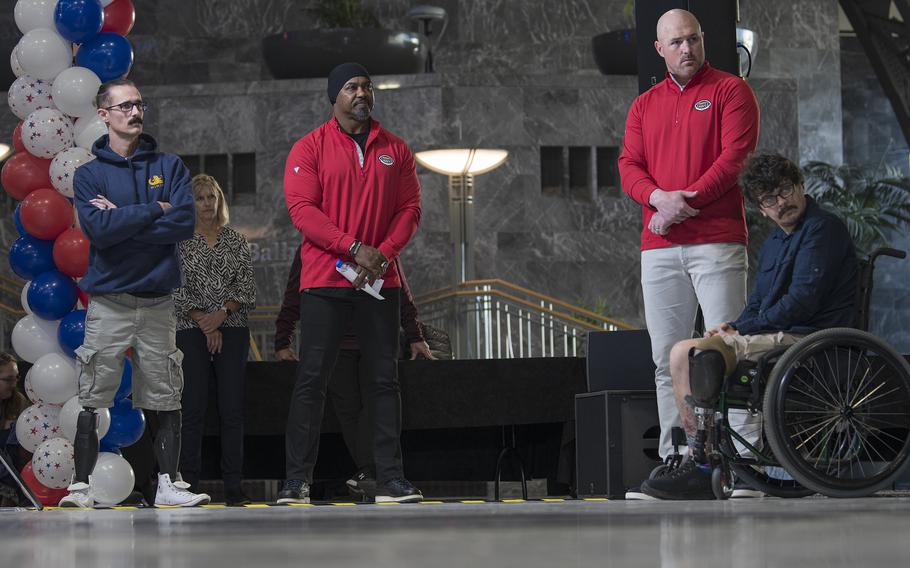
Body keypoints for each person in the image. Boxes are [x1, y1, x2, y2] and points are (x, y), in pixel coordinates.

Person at [641, 153, 858, 499]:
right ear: (761, 208)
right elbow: (759, 301)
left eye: (785, 191)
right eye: (769, 199)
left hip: (809, 337)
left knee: (700, 356)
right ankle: (698, 455)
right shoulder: (774, 242)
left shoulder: (823, 229)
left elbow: (801, 302)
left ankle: (704, 465)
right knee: (682, 351)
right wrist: (732, 325)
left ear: (801, 186)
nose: (780, 203)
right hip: (779, 333)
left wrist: (744, 330)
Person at [618, 9, 760, 475]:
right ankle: (679, 457)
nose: (687, 49)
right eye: (676, 42)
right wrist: (659, 198)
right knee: (666, 360)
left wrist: (683, 203)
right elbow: (629, 167)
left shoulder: (730, 90)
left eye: (694, 39)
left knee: (727, 353)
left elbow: (734, 158)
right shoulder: (644, 105)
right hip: (659, 249)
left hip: (716, 241)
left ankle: (742, 462)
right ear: (659, 49)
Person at [60, 79, 210, 508]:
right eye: (124, 105)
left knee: (165, 393)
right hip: (109, 301)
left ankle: (169, 485)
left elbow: (182, 224)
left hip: (159, 299)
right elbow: (99, 232)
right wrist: (152, 211)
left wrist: (125, 219)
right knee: (93, 395)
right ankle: (81, 487)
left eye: (140, 104)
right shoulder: (90, 175)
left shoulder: (170, 165)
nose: (135, 111)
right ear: (103, 114)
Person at [279, 62, 422, 504]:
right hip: (324, 281)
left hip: (381, 280)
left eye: (366, 85)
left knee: (384, 381)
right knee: (312, 381)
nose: (361, 92)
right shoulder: (308, 148)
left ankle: (389, 478)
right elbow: (303, 210)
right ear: (333, 96)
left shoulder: (396, 149)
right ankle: (296, 481)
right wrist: (354, 247)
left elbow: (410, 210)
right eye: (351, 86)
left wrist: (381, 255)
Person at [275, 244, 433, 498]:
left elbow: (400, 289)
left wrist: (415, 333)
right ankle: (367, 471)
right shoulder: (313, 249)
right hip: (337, 346)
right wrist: (282, 339)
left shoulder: (380, 247)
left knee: (378, 403)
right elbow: (295, 292)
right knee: (349, 413)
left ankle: (376, 473)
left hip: (373, 339)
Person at [174, 174, 257, 506]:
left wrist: (221, 314)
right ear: (190, 204)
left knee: (232, 410)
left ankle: (234, 487)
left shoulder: (236, 240)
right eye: (200, 198)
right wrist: (205, 323)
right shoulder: (179, 242)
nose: (207, 203)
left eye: (212, 197)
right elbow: (175, 290)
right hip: (190, 329)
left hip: (233, 326)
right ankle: (188, 486)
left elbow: (247, 289)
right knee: (192, 408)